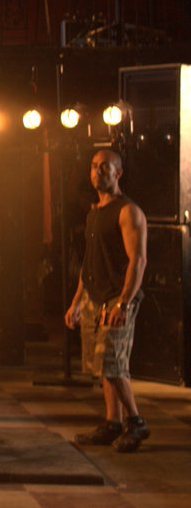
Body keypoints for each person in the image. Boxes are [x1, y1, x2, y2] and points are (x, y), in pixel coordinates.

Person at [64, 149, 150, 453]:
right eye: (94, 167)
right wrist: (77, 301)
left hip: (117, 297)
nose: (98, 172)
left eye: (105, 168)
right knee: (100, 366)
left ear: (118, 173)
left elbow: (137, 260)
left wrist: (123, 303)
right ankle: (112, 422)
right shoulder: (94, 212)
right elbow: (89, 264)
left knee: (113, 362)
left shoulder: (128, 212)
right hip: (94, 296)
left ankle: (136, 421)